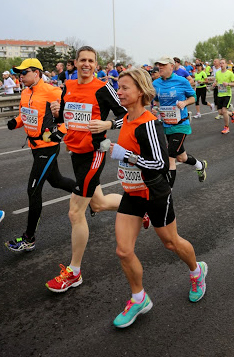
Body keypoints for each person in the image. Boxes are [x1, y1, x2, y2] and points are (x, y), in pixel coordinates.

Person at [109, 68, 208, 328]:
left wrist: (125, 155)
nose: (119, 91)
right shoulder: (126, 118)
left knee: (171, 243)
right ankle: (139, 298)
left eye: (125, 88)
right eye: (118, 87)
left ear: (140, 91)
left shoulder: (148, 123)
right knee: (123, 250)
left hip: (154, 193)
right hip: (132, 194)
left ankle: (197, 271)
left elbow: (160, 164)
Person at [45, 46, 127, 292]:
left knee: (75, 212)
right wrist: (58, 117)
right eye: (83, 60)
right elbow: (64, 119)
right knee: (99, 203)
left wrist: (108, 123)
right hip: (76, 153)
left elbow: (127, 114)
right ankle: (139, 206)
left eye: (91, 61)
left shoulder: (103, 88)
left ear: (96, 64)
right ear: (76, 62)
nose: (86, 64)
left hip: (95, 153)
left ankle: (74, 272)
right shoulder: (67, 87)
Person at [5, 58, 76, 252]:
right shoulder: (26, 92)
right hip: (35, 147)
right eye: (19, 73)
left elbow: (69, 116)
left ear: (36, 73)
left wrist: (60, 131)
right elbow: (26, 114)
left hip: (48, 147)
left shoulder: (52, 91)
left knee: (33, 190)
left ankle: (29, 238)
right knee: (57, 181)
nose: (21, 77)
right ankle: (89, 194)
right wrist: (15, 122)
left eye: (24, 73)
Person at [153, 56, 207, 188]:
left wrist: (184, 103)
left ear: (171, 66)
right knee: (181, 158)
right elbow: (155, 100)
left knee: (170, 157)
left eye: (163, 65)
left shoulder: (181, 81)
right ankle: (200, 165)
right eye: (159, 65)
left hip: (181, 125)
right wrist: (155, 108)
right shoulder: (156, 83)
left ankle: (167, 193)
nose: (160, 67)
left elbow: (193, 97)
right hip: (166, 124)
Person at [213, 58, 234, 134]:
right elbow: (216, 80)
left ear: (226, 64)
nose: (221, 65)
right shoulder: (218, 73)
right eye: (220, 63)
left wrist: (228, 84)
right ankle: (232, 114)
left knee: (224, 111)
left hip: (227, 94)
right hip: (219, 94)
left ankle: (226, 127)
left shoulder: (230, 73)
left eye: (223, 63)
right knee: (220, 112)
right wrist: (214, 83)